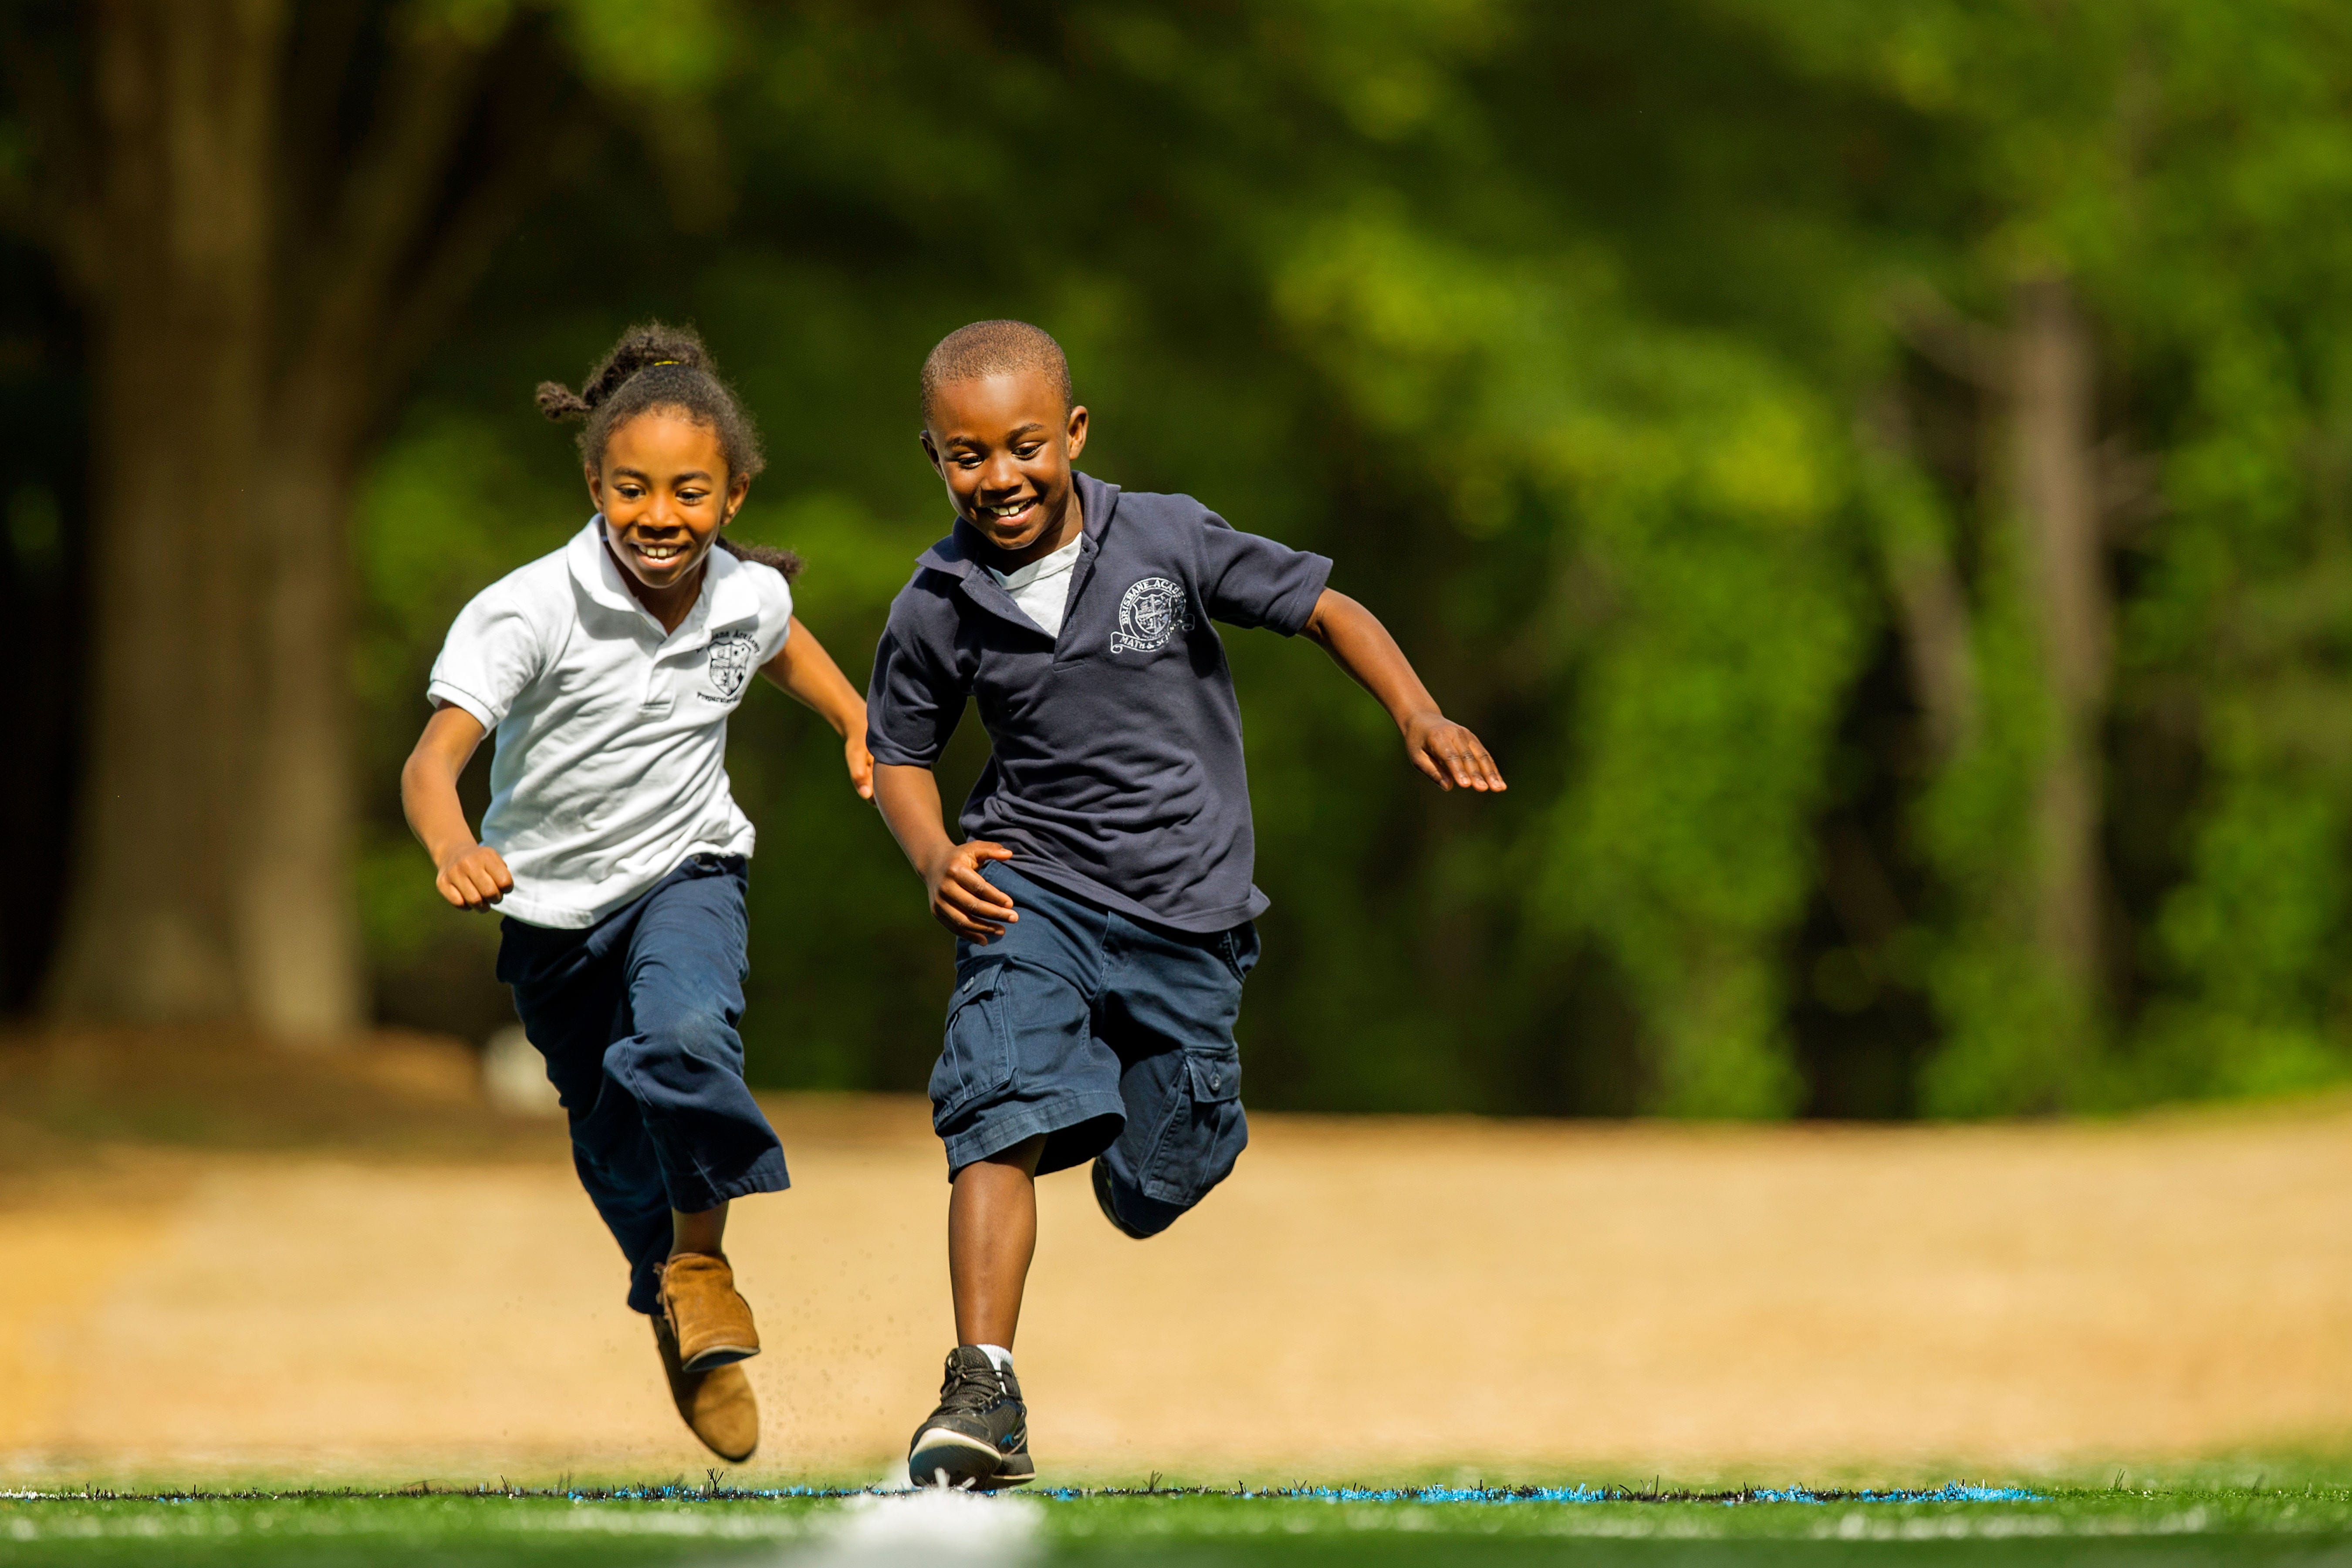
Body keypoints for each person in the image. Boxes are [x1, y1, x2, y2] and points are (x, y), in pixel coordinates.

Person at [866, 320, 1506, 1489]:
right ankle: (983, 1391)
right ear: (935, 458)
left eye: (1023, 446)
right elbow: (900, 751)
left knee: (1159, 1184)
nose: (1000, 477)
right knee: (993, 1106)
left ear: (1074, 433)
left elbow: (1329, 608)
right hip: (1033, 888)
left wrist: (1416, 710)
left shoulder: (1164, 535)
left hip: (1188, 913)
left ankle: (1133, 1121)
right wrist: (931, 855)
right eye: (968, 455)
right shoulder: (937, 600)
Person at [398, 323, 872, 1463]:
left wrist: (856, 719)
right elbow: (430, 764)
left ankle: (702, 1267)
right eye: (633, 490)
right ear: (595, 484)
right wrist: (453, 845)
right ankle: (669, 1285)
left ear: (734, 493)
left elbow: (781, 641)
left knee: (686, 1037)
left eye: (690, 493)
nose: (660, 515)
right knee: (614, 1145)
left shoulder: (744, 594)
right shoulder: (528, 610)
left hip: (686, 872)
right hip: (551, 913)